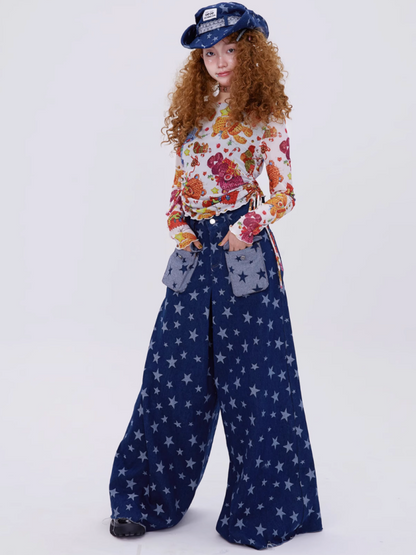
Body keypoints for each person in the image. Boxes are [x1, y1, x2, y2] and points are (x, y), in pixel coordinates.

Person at [108, 2, 323, 549]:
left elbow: (284, 192)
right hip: (192, 259)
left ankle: (266, 511)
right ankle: (143, 499)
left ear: (252, 54)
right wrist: (177, 224)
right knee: (169, 378)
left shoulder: (265, 115)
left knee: (257, 385)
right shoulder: (195, 114)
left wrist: (246, 226)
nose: (220, 61)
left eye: (230, 49)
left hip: (243, 255)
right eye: (209, 53)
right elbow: (179, 190)